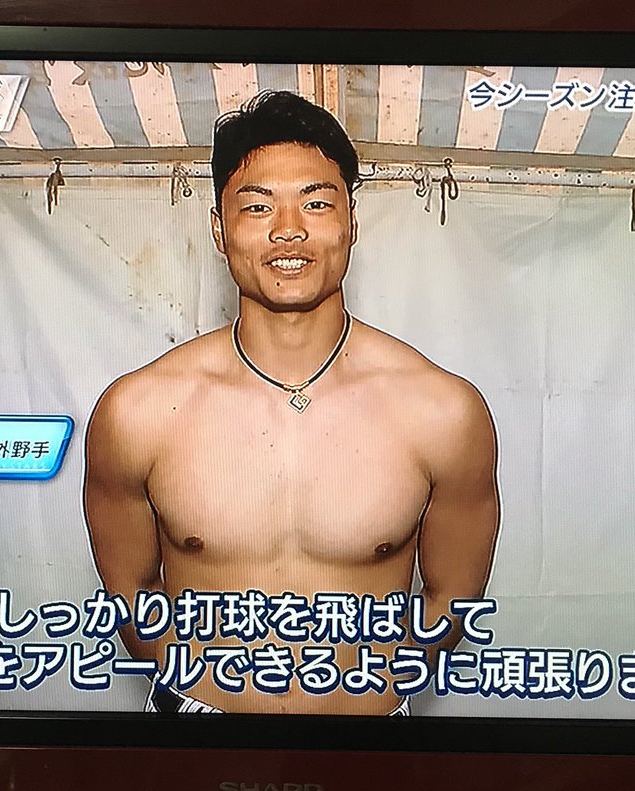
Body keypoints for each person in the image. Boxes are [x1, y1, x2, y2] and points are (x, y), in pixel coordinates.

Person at [83, 90, 500, 715]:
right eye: (257, 206)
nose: (288, 230)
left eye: (316, 203)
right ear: (220, 230)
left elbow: (452, 601)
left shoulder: (443, 412)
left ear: (351, 222)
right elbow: (132, 594)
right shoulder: (137, 412)